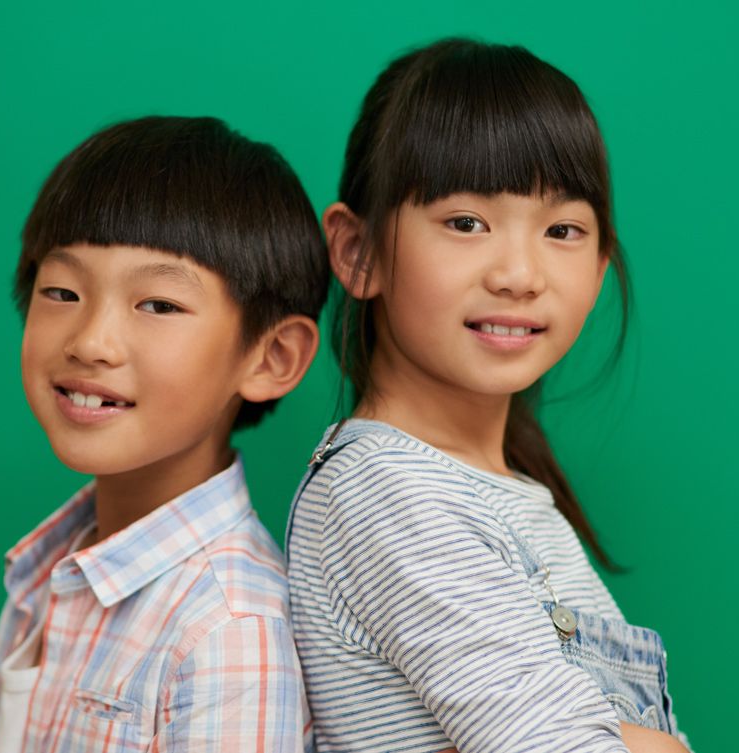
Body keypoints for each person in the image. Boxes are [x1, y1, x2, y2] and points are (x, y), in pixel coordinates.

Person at [284, 39, 690, 752]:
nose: (520, 275)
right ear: (358, 252)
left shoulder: (490, 494)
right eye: (466, 223)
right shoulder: (389, 492)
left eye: (562, 230)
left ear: (600, 267)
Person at [0, 116, 328, 753]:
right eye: (62, 291)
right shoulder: (48, 572)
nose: (90, 342)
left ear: (271, 357)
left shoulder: (230, 630)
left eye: (158, 305)